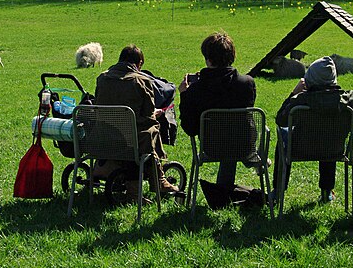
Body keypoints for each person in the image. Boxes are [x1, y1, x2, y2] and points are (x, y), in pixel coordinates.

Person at [271, 56, 353, 203]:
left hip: (301, 148)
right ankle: (327, 191)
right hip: (334, 149)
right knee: (329, 133)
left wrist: (293, 93)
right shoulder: (349, 100)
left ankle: (278, 190)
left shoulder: (300, 100)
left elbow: (280, 120)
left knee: (283, 134)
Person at [94, 45, 180, 195]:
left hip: (105, 135)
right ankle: (157, 179)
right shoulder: (141, 81)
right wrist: (156, 112)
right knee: (153, 128)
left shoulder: (102, 78)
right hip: (131, 137)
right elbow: (148, 113)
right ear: (139, 63)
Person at [179, 32, 256, 189]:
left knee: (226, 139)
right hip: (244, 145)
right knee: (233, 133)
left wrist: (184, 96)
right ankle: (225, 190)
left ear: (208, 59)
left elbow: (190, 129)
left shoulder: (197, 89)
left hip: (212, 147)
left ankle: (222, 193)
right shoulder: (246, 83)